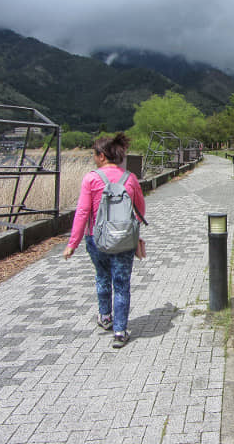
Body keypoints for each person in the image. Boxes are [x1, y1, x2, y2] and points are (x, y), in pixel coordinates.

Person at [63, 132, 146, 348]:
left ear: (101, 156)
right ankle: (120, 331)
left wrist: (72, 243)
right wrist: (135, 236)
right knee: (121, 283)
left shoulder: (91, 178)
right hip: (124, 239)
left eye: (94, 154)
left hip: (96, 238)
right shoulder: (130, 178)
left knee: (102, 276)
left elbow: (82, 212)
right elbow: (139, 211)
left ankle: (105, 317)